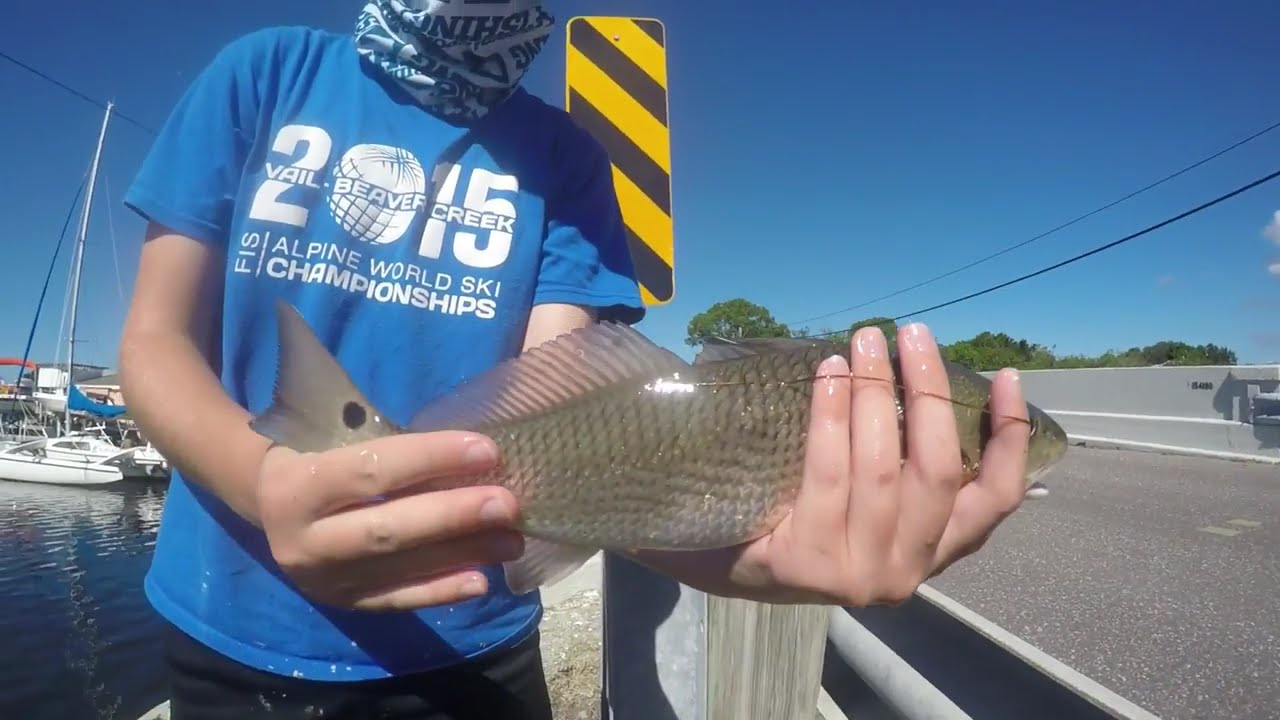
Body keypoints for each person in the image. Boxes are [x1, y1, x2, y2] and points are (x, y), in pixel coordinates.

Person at [118, 3, 1032, 719]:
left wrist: (745, 561)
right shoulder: (263, 73)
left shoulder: (569, 160)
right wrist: (263, 479)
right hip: (235, 637)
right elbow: (155, 342)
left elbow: (578, 437)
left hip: (477, 646)